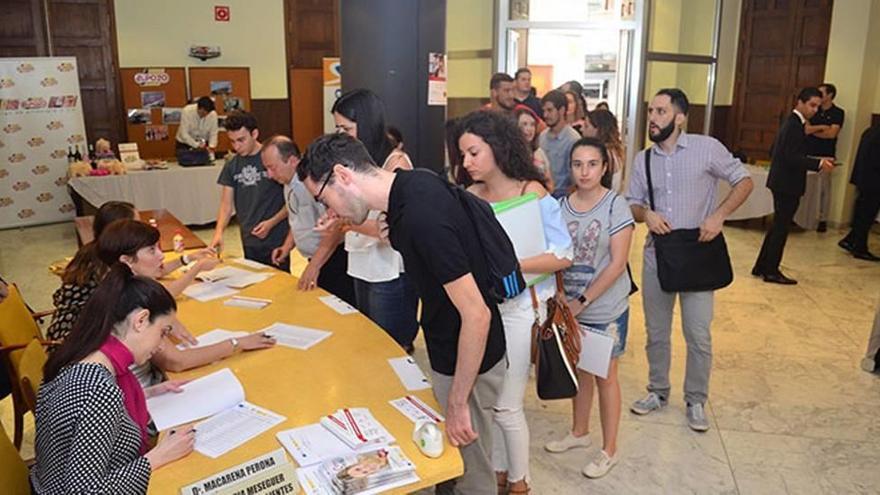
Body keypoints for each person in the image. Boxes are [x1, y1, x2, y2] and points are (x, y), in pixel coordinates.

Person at [297, 133, 507, 495]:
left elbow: (477, 314)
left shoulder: (420, 218)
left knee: (472, 469)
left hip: (469, 354)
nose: (327, 210)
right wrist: (344, 223)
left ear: (342, 175)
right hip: (450, 344)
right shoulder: (412, 186)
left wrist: (457, 402)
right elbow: (402, 241)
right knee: (457, 459)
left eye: (323, 198)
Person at [456, 110, 572, 494]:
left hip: (525, 308)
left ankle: (520, 483)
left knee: (507, 406)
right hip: (486, 312)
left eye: (473, 152)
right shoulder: (470, 197)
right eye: (463, 155)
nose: (466, 163)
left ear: (497, 147)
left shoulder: (532, 193)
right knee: (493, 405)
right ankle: (502, 473)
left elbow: (563, 255)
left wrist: (508, 264)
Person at [627, 88, 753, 431]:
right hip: (659, 256)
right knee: (656, 332)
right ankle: (657, 390)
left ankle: (696, 399)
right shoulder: (643, 159)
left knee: (698, 334)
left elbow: (744, 181)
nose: (653, 118)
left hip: (698, 253)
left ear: (680, 117)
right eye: (651, 111)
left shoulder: (706, 148)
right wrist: (647, 214)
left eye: (662, 111)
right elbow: (632, 203)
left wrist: (720, 215)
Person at [33, 266, 195, 494]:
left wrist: (148, 393)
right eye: (162, 331)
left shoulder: (83, 353)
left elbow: (84, 416)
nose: (161, 344)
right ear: (141, 320)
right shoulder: (100, 391)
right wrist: (157, 457)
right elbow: (83, 492)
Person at [545, 137, 633, 479]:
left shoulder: (615, 205)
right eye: (578, 164)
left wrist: (582, 301)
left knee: (605, 377)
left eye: (592, 164)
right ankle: (579, 432)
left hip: (604, 308)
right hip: (569, 308)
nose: (585, 171)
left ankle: (609, 449)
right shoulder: (561, 205)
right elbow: (554, 254)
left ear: (604, 167)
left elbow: (617, 263)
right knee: (580, 370)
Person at [97, 219, 275, 386]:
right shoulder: (134, 301)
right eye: (152, 250)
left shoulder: (114, 287)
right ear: (126, 261)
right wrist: (237, 343)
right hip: (144, 397)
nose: (161, 256)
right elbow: (176, 361)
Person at [330, 89, 420, 352]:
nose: (342, 136)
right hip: (361, 260)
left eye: (347, 129)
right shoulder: (355, 160)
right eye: (338, 129)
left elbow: (392, 229)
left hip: (389, 267)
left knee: (391, 344)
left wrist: (345, 222)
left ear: (367, 123)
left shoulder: (396, 163)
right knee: (368, 336)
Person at [261, 135, 356, 305]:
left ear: (292, 161)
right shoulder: (287, 182)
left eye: (272, 168)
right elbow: (297, 216)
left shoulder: (312, 184)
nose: (269, 174)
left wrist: (314, 267)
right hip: (316, 259)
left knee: (339, 308)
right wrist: (287, 246)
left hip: (332, 259)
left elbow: (333, 228)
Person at [753, 87, 834, 284]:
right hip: (786, 183)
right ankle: (770, 271)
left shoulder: (794, 123)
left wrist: (817, 160)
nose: (815, 110)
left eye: (818, 106)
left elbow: (781, 151)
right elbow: (790, 156)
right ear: (800, 103)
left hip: (783, 181)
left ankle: (762, 265)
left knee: (777, 226)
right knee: (781, 228)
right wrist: (818, 164)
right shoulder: (794, 125)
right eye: (812, 105)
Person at [47, 201, 138, 343]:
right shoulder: (105, 262)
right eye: (137, 225)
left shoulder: (93, 248)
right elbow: (131, 302)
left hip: (73, 330)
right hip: (78, 341)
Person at [210, 111, 290, 270]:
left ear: (254, 133)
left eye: (241, 140)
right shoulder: (232, 165)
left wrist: (271, 222)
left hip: (275, 236)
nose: (237, 146)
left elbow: (293, 201)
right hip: (249, 237)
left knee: (279, 283)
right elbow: (226, 205)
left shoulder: (272, 158)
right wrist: (219, 233)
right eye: (232, 142)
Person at [805, 83, 845, 232]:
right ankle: (802, 218)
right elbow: (806, 129)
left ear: (829, 95)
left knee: (824, 189)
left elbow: (832, 134)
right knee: (806, 187)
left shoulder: (838, 113)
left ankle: (822, 219)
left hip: (826, 155)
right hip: (808, 153)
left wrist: (815, 130)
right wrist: (821, 127)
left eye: (821, 93)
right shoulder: (814, 110)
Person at [839, 122, 880, 261]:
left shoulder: (870, 131)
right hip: (874, 182)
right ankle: (860, 248)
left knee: (862, 213)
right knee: (866, 215)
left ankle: (850, 240)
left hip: (864, 179)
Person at [540, 90, 582, 198]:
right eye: (544, 111)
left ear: (562, 110)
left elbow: (576, 179)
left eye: (550, 110)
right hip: (542, 193)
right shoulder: (542, 136)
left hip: (562, 196)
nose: (545, 115)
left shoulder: (573, 139)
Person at [582, 109, 626, 192]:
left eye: (586, 126)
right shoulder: (614, 151)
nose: (582, 129)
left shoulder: (603, 153)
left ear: (598, 129)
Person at [516, 107, 554, 191]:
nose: (529, 129)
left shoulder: (539, 152)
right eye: (524, 124)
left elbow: (550, 183)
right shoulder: (508, 155)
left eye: (532, 124)